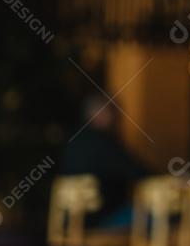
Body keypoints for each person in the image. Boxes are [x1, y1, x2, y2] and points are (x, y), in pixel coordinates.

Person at [60, 95, 150, 229]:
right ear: (101, 113)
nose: (117, 118)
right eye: (113, 112)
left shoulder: (73, 139)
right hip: (100, 222)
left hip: (69, 224)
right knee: (157, 216)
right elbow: (139, 173)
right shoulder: (103, 142)